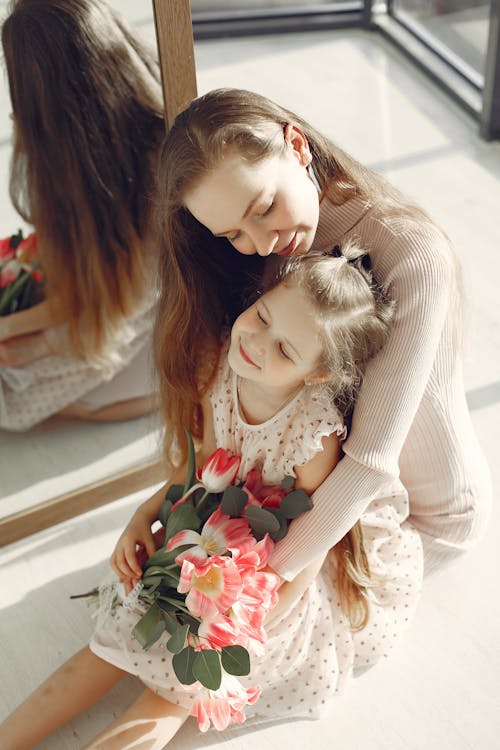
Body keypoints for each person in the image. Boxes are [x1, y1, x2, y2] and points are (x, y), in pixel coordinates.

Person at [0, 249, 423, 749]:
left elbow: (312, 540)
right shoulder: (221, 369)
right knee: (109, 644)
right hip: (213, 531)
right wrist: (145, 514)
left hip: (271, 570)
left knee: (172, 692)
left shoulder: (314, 435)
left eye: (285, 350)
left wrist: (247, 621)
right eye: (262, 316)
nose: (258, 343)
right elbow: (205, 462)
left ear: (317, 375)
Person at [152, 87, 492, 577]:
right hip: (316, 499)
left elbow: (369, 465)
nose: (263, 243)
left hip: (417, 516)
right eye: (233, 235)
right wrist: (160, 511)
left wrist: (250, 585)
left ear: (297, 145)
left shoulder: (413, 254)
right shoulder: (268, 253)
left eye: (265, 207)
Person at [0, 0, 165, 431]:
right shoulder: (110, 152)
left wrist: (20, 331)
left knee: (17, 384)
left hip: (130, 318)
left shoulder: (155, 179)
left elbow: (117, 305)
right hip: (113, 303)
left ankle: (121, 396)